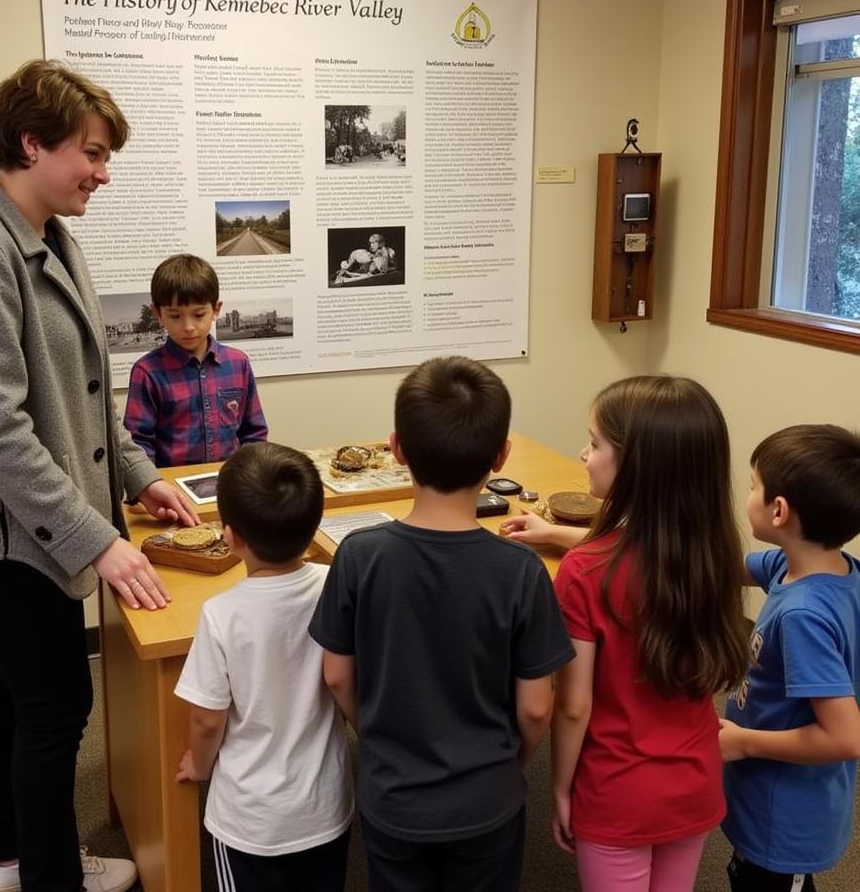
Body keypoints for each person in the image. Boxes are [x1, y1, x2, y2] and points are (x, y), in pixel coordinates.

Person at [0, 60, 198, 892]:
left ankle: (10, 856)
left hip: (31, 519)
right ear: (32, 143)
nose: (103, 171)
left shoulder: (50, 235)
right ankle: (52, 876)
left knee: (10, 690)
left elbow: (82, 391)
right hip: (3, 532)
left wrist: (138, 475)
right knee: (55, 707)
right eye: (91, 153)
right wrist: (100, 543)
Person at [310, 355, 574, 891]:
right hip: (488, 800)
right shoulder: (522, 572)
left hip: (393, 797)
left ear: (397, 448)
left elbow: (336, 676)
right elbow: (538, 706)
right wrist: (510, 764)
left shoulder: (358, 558)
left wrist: (375, 735)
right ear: (501, 457)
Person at [502, 375, 749, 892]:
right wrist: (559, 534)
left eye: (595, 443)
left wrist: (561, 788)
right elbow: (647, 550)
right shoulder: (714, 557)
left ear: (638, 463)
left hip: (616, 793)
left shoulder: (585, 573)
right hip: (695, 785)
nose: (584, 455)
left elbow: (573, 706)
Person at [175, 442, 353, 891]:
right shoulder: (334, 585)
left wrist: (198, 767)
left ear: (230, 537)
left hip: (249, 822)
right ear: (316, 526)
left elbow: (206, 718)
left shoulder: (221, 614)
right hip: (326, 806)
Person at [719, 424, 860, 892]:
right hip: (775, 797)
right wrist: (564, 536)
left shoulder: (803, 615)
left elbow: (845, 736)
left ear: (779, 510)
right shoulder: (809, 567)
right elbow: (716, 570)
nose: (749, 494)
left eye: (754, 485)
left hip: (784, 814)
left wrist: (744, 743)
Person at [123, 253, 267, 466]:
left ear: (216, 310)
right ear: (157, 313)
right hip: (171, 490)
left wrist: (249, 478)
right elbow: (138, 443)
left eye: (199, 315)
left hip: (230, 485)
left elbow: (253, 433)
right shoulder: (147, 372)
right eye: (175, 316)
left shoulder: (238, 363)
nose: (188, 327)